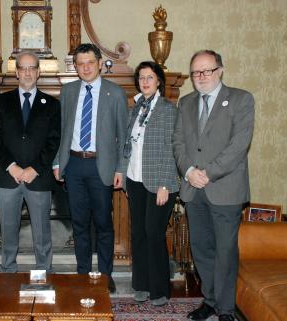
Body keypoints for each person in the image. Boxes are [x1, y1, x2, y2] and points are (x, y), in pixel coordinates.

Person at [172, 50, 254, 321]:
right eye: (196, 72)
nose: (201, 76)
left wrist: (208, 173)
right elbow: (179, 143)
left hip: (225, 189)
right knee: (202, 249)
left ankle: (226, 309)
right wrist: (189, 172)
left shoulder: (241, 99)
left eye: (207, 70)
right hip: (194, 189)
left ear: (220, 70)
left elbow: (239, 146)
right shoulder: (185, 103)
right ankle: (209, 300)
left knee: (225, 252)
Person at [53, 43, 127, 292]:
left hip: (101, 166)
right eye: (80, 64)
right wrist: (57, 162)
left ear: (99, 64)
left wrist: (121, 169)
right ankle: (83, 274)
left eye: (89, 63)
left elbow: (123, 136)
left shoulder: (114, 93)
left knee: (104, 224)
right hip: (73, 165)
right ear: (75, 66)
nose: (85, 68)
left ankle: (105, 275)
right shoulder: (69, 91)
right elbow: (60, 130)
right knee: (79, 224)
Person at [0, 51, 60, 272]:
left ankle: (43, 274)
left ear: (38, 72)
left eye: (32, 68)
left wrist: (34, 169)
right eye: (23, 68)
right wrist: (13, 167)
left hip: (38, 178)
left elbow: (54, 141)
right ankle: (8, 272)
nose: (27, 72)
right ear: (16, 72)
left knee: (42, 233)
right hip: (7, 177)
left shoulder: (52, 104)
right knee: (8, 232)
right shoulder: (1, 100)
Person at [123, 61, 179, 305]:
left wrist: (165, 184)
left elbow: (172, 149)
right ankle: (141, 285)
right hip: (135, 179)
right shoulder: (135, 109)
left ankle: (160, 290)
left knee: (154, 233)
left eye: (150, 77)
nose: (145, 82)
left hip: (159, 182)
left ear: (159, 81)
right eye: (141, 78)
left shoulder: (168, 109)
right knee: (138, 234)